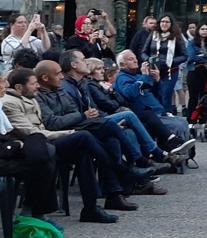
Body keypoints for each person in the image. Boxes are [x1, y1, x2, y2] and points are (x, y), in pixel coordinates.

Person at [3, 68, 120, 223]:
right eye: (33, 84)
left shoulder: (31, 97)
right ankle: (120, 169)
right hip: (35, 146)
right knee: (84, 136)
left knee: (83, 152)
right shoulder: (10, 104)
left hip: (47, 139)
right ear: (19, 87)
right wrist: (68, 133)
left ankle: (91, 209)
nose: (37, 86)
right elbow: (31, 133)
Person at [32, 60, 146, 211]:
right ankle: (129, 167)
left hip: (75, 128)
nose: (61, 77)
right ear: (45, 78)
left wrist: (79, 116)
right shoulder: (39, 96)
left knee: (110, 139)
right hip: (58, 136)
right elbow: (53, 123)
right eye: (57, 74)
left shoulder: (61, 90)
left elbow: (73, 112)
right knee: (105, 128)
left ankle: (114, 195)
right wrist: (81, 116)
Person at [0, 73, 60, 228]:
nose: (6, 86)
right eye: (2, 83)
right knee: (44, 160)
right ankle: (34, 212)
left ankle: (34, 211)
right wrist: (16, 145)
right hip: (4, 156)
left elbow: (8, 132)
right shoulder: (8, 102)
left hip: (11, 147)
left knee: (44, 150)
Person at [113, 50, 192, 149]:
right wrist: (144, 77)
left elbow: (160, 96)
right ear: (122, 64)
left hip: (158, 113)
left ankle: (183, 155)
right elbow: (130, 93)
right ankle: (173, 152)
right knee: (177, 125)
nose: (135, 61)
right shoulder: (122, 78)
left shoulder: (138, 76)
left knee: (183, 122)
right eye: (131, 59)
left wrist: (157, 80)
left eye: (135, 58)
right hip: (146, 115)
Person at [142, 13, 187, 114]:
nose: (164, 24)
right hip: (153, 70)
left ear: (171, 24)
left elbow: (184, 55)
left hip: (170, 71)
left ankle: (165, 117)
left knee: (165, 95)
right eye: (162, 21)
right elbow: (144, 52)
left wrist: (171, 61)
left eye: (167, 22)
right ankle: (156, 117)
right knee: (154, 94)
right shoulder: (153, 35)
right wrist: (148, 59)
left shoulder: (177, 36)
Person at [185, 23, 207, 123]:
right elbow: (191, 56)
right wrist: (206, 57)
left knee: (204, 97)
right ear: (198, 30)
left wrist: (203, 55)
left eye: (206, 29)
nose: (204, 31)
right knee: (193, 98)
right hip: (194, 72)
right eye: (202, 29)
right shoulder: (192, 42)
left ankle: (203, 120)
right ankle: (191, 121)